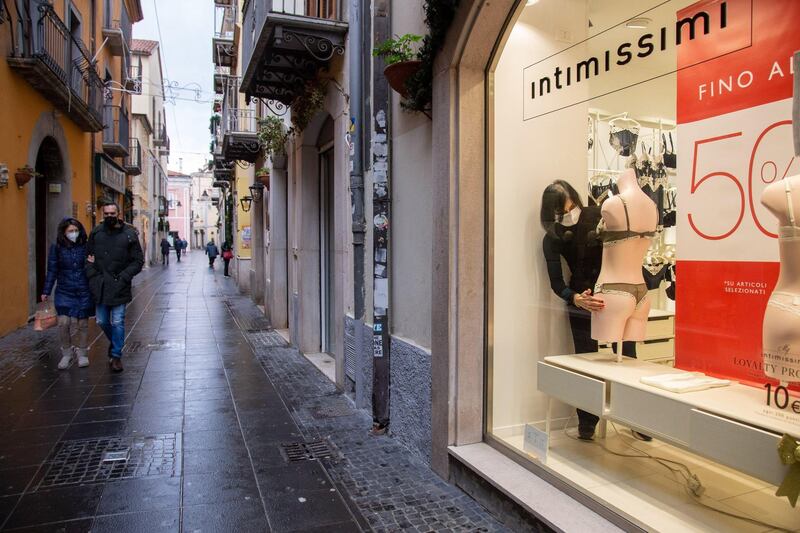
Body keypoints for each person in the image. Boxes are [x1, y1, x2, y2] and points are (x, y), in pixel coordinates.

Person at [540, 180, 636, 440]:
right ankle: (587, 420)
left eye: (571, 206)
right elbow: (557, 282)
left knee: (627, 355)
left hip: (615, 290)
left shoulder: (598, 216)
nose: (569, 214)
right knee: (585, 360)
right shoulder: (553, 238)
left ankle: (635, 416)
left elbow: (623, 249)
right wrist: (575, 299)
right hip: (582, 298)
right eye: (561, 211)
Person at [86, 202, 144, 373]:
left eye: (113, 213)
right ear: (103, 214)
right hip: (101, 285)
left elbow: (137, 261)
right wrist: (92, 275)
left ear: (119, 214)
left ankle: (116, 355)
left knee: (117, 321)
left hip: (120, 285)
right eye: (106, 213)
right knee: (102, 320)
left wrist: (124, 277)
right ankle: (116, 343)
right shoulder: (96, 233)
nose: (109, 216)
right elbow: (88, 257)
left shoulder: (129, 235)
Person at [41, 218, 94, 369]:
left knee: (82, 323)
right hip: (64, 290)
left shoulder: (86, 246)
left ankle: (82, 353)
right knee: (64, 322)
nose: (74, 233)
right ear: (64, 233)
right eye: (70, 231)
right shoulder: (56, 247)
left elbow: (94, 265)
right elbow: (52, 270)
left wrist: (92, 263)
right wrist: (46, 290)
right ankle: (66, 353)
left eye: (76, 230)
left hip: (84, 289)